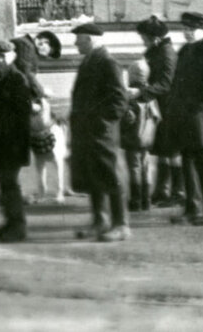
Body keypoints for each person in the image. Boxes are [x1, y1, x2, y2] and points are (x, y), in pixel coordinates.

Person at [68, 22, 130, 242]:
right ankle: (100, 220)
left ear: (90, 40)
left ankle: (121, 224)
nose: (75, 43)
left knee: (110, 176)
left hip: (101, 132)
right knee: (94, 176)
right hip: (88, 132)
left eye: (79, 39)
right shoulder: (90, 61)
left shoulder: (108, 63)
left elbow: (119, 100)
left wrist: (102, 123)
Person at [0, 40, 39, 242]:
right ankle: (9, 223)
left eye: (3, 56)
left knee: (10, 183)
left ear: (12, 56)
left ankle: (18, 227)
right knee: (3, 182)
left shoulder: (18, 79)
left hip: (13, 140)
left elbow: (23, 110)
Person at [167, 11, 203, 226]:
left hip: (200, 119)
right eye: (185, 29)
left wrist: (192, 108)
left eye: (192, 29)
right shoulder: (185, 51)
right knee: (188, 163)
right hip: (185, 118)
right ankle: (192, 208)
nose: (187, 33)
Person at [130, 15, 182, 207]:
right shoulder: (156, 50)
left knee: (172, 151)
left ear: (155, 37)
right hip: (160, 107)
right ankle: (163, 190)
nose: (142, 40)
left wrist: (141, 91)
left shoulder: (167, 53)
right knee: (162, 150)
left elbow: (165, 84)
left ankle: (178, 191)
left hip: (170, 108)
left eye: (144, 37)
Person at [121, 59, 159, 212]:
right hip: (147, 138)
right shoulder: (150, 95)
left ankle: (136, 200)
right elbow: (157, 116)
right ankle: (146, 200)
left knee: (134, 168)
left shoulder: (130, 96)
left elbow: (126, 118)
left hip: (132, 138)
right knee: (146, 167)